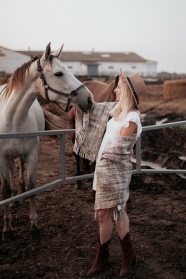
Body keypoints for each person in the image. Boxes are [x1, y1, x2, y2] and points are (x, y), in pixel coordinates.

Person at [86, 71, 146, 277]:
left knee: (117, 211)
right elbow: (91, 109)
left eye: (119, 87)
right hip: (102, 170)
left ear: (128, 91)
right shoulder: (116, 111)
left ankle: (127, 256)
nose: (114, 90)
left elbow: (119, 149)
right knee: (104, 214)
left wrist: (102, 164)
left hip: (115, 172)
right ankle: (104, 257)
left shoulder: (132, 117)